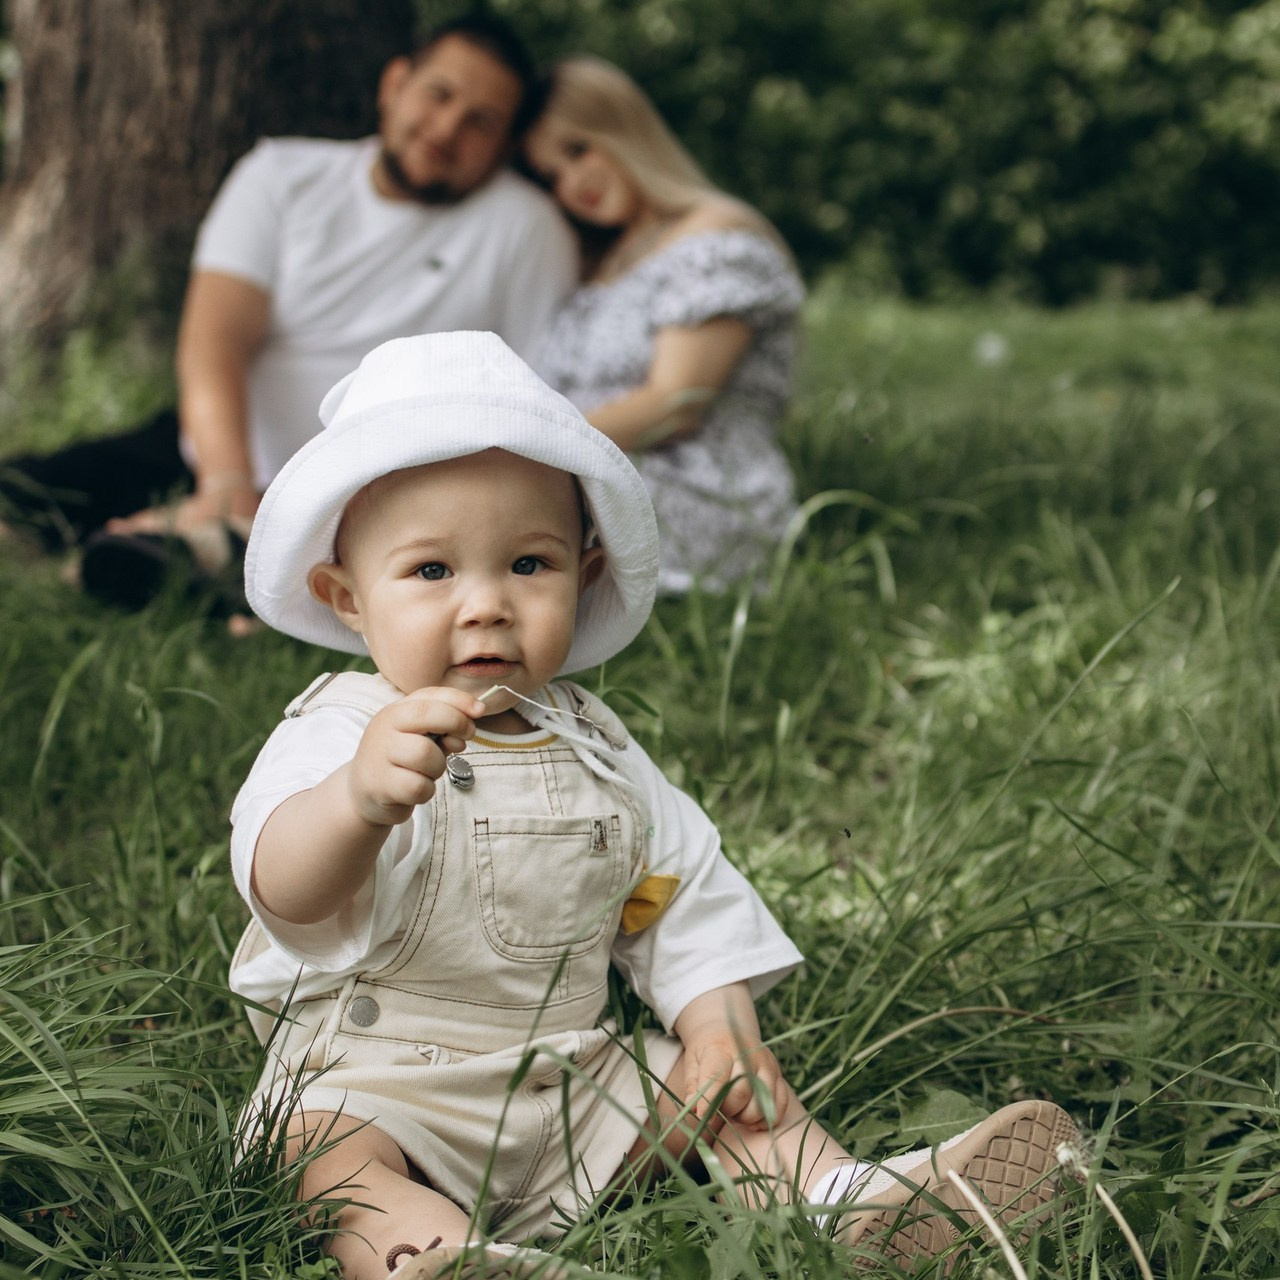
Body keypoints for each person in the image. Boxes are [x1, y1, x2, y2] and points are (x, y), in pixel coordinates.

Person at [228, 330, 1080, 1280]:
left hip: (568, 1088)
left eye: (529, 565)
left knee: (727, 1087)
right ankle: (435, 1253)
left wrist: (717, 1023)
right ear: (346, 598)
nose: (485, 606)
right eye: (432, 572)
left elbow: (679, 890)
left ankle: (846, 1203)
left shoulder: (600, 748)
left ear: (585, 576)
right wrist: (355, 804)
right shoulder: (340, 731)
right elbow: (285, 888)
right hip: (379, 1089)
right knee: (323, 1163)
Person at [0, 14, 577, 612]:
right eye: (439, 94)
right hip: (212, 450)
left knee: (222, 560)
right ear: (395, 84)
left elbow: (529, 402)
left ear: (505, 146)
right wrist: (226, 486)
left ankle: (184, 558)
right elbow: (215, 339)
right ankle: (191, 546)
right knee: (16, 498)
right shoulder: (281, 175)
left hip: (370, 498)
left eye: (479, 122)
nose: (447, 127)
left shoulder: (525, 228)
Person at [524, 56, 803, 595]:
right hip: (598, 479)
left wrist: (533, 452)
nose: (571, 183)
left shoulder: (715, 239)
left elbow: (676, 403)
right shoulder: (602, 262)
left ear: (624, 129)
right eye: (551, 175)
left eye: (579, 149)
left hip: (696, 491)